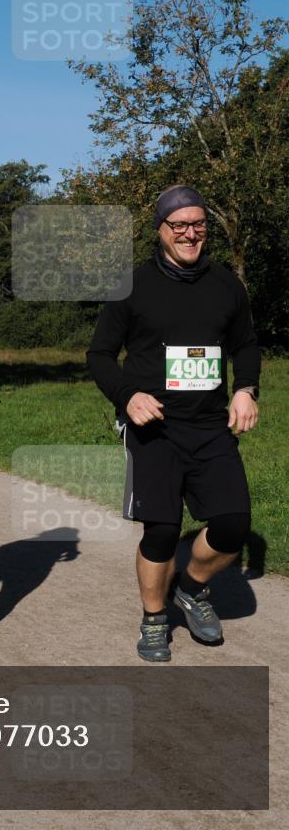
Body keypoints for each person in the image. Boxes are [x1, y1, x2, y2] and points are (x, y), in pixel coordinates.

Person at [87, 185, 260, 662]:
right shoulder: (133, 284)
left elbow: (245, 344)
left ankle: (191, 587)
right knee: (162, 530)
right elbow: (99, 354)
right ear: (161, 230)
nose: (190, 233)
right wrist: (127, 396)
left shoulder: (226, 284)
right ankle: (154, 619)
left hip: (209, 425)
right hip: (154, 427)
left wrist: (246, 388)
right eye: (178, 225)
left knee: (232, 525)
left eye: (198, 224)